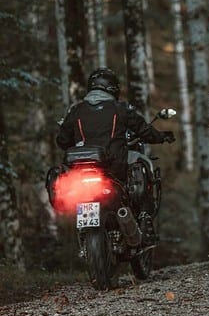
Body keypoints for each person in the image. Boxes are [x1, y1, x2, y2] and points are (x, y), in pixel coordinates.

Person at [56, 67, 175, 244]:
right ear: (113, 87)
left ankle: (85, 242)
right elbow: (144, 130)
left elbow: (62, 141)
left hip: (80, 172)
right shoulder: (120, 109)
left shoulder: (76, 110)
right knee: (144, 164)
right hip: (114, 166)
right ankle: (145, 217)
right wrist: (161, 136)